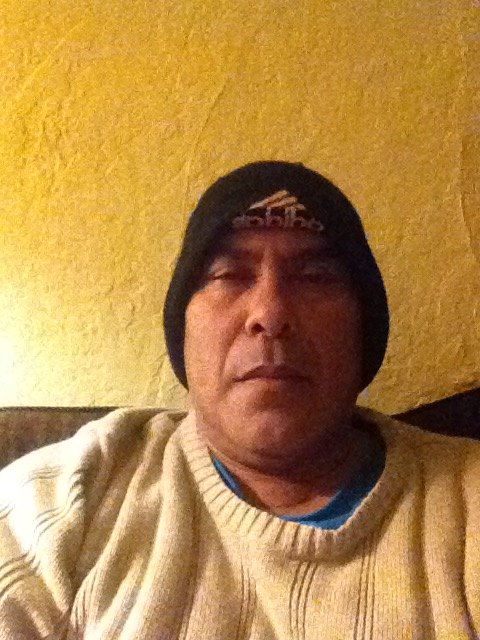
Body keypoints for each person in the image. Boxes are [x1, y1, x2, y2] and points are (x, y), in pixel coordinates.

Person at [0, 161, 478, 639]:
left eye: (315, 276)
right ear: (183, 330)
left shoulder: (468, 502)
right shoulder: (64, 499)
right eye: (228, 274)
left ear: (363, 328)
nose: (270, 313)